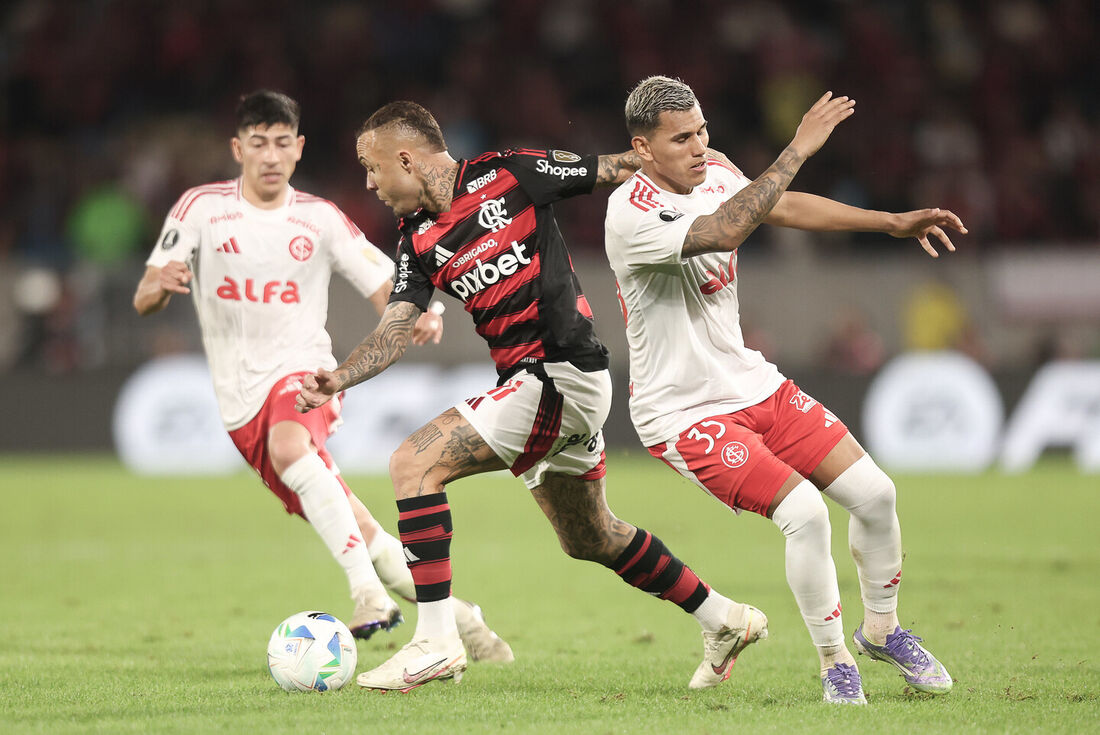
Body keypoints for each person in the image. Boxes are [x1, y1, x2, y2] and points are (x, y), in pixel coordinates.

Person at [296, 100, 768, 693]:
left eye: (372, 167)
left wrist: (705, 158)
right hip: (535, 386)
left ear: (406, 159)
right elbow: (394, 331)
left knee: (412, 464)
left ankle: (436, 642)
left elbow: (621, 166)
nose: (369, 183)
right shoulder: (416, 240)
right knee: (590, 537)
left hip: (559, 373)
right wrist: (339, 377)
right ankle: (723, 618)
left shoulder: (510, 173)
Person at [604, 76, 965, 704]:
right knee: (804, 513)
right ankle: (834, 663)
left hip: (751, 383)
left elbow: (779, 204)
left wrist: (890, 222)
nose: (699, 147)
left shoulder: (715, 170)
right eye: (681, 139)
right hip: (682, 411)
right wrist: (796, 148)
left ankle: (882, 629)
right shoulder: (629, 212)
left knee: (877, 496)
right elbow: (725, 230)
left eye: (702, 131)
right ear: (642, 148)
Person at [133, 90, 512, 663]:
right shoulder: (201, 209)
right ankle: (469, 625)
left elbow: (385, 284)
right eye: (258, 143)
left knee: (291, 445)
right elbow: (145, 295)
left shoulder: (319, 218)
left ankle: (367, 598)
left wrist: (417, 316)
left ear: (299, 148)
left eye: (282, 143)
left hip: (305, 377)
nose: (270, 156)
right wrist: (158, 287)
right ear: (238, 149)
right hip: (241, 407)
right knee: (372, 540)